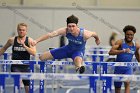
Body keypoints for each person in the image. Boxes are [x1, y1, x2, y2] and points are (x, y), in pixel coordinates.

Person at [32, 14, 100, 74]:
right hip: (67, 50)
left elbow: (94, 34)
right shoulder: (65, 31)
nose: (71, 28)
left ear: (77, 26)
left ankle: (79, 67)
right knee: (42, 57)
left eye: (73, 26)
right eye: (69, 26)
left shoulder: (85, 34)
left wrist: (97, 39)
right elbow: (50, 35)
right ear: (67, 26)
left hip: (78, 52)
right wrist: (36, 41)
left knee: (78, 60)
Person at [0, 23, 36, 93]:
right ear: (17, 30)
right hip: (15, 66)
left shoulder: (30, 40)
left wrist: (25, 46)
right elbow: (4, 48)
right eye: (20, 30)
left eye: (23, 30)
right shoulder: (12, 40)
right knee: (18, 81)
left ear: (26, 31)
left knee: (28, 88)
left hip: (26, 67)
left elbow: (34, 53)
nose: (21, 31)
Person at [108, 25, 140, 93]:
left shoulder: (136, 45)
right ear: (125, 34)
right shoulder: (120, 42)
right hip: (118, 68)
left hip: (128, 68)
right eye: (127, 34)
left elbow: (137, 54)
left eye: (131, 35)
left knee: (127, 84)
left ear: (133, 35)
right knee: (117, 87)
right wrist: (123, 51)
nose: (129, 36)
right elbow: (110, 52)